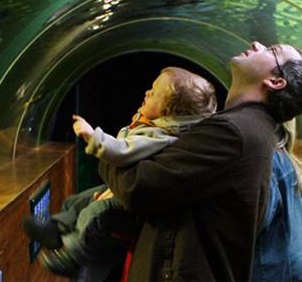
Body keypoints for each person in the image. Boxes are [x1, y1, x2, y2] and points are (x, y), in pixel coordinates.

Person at [99, 41, 302, 281]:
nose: (257, 44)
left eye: (272, 50)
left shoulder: (234, 131)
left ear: (275, 82)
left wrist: (107, 149)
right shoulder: (251, 130)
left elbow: (137, 187)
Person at [23, 66, 217, 278]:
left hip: (133, 210)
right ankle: (56, 229)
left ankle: (71, 254)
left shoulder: (161, 136)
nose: (147, 93)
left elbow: (123, 152)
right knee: (79, 200)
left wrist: (92, 136)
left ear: (168, 111)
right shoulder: (155, 126)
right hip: (121, 191)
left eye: (154, 93)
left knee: (96, 212)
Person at [252, 120, 302, 282]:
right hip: (296, 269)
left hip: (271, 272)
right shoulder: (288, 160)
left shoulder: (268, 164)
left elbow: (257, 224)